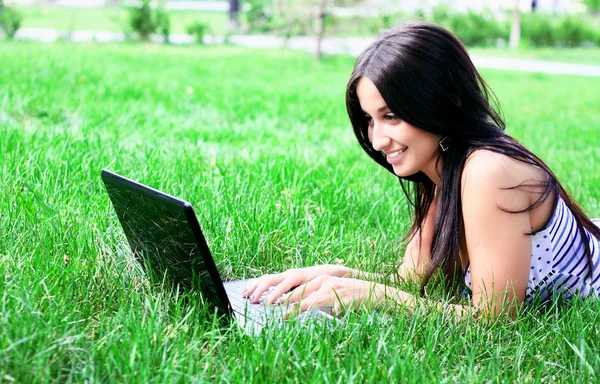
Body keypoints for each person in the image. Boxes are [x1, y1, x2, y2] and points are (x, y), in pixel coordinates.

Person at [242, 22, 600, 319]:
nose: (378, 140)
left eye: (392, 116)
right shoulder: (443, 171)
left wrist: (375, 295)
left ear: (447, 102)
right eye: (369, 119)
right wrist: (334, 277)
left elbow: (494, 322)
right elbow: (412, 284)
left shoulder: (489, 171)